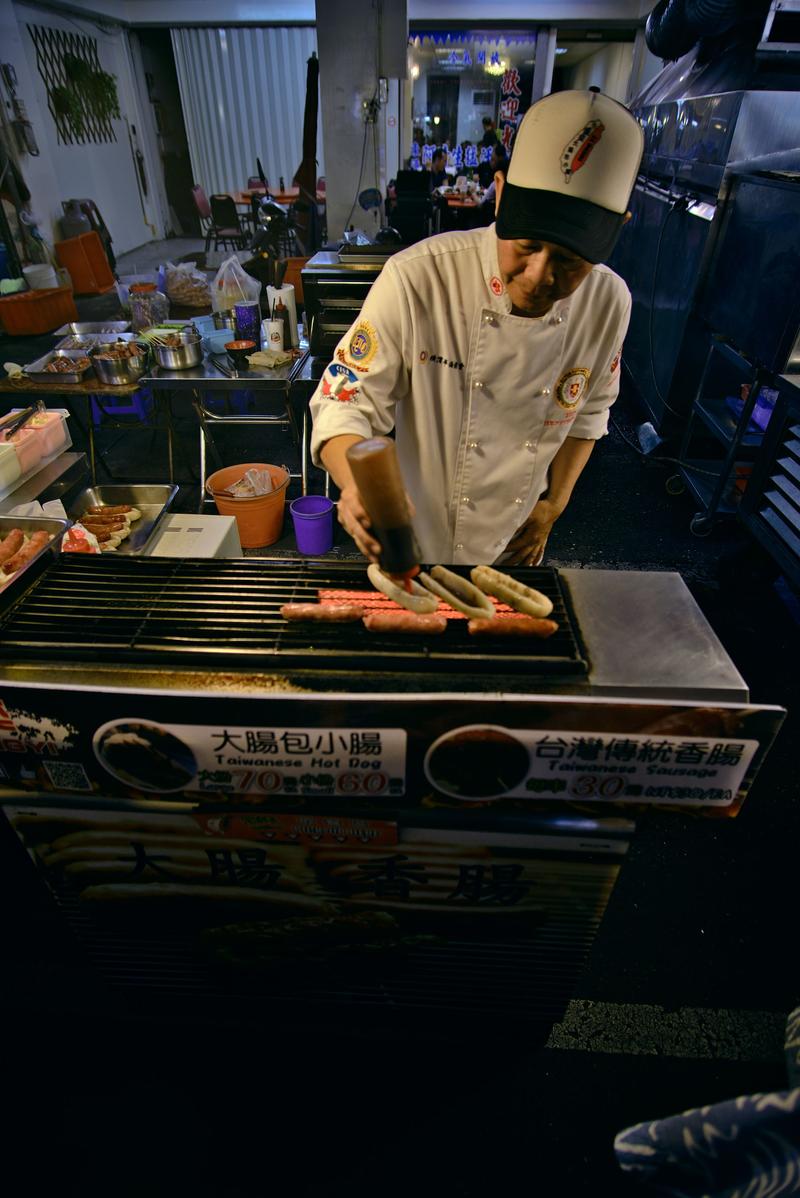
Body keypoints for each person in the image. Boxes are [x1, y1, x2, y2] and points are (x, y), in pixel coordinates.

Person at [310, 88, 644, 567]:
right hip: (415, 538)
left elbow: (590, 413)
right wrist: (356, 486)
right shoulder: (420, 278)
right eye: (526, 245)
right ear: (501, 194)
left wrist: (555, 504)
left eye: (570, 260)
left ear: (616, 230)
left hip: (516, 543)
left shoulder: (609, 303)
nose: (539, 277)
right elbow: (344, 403)